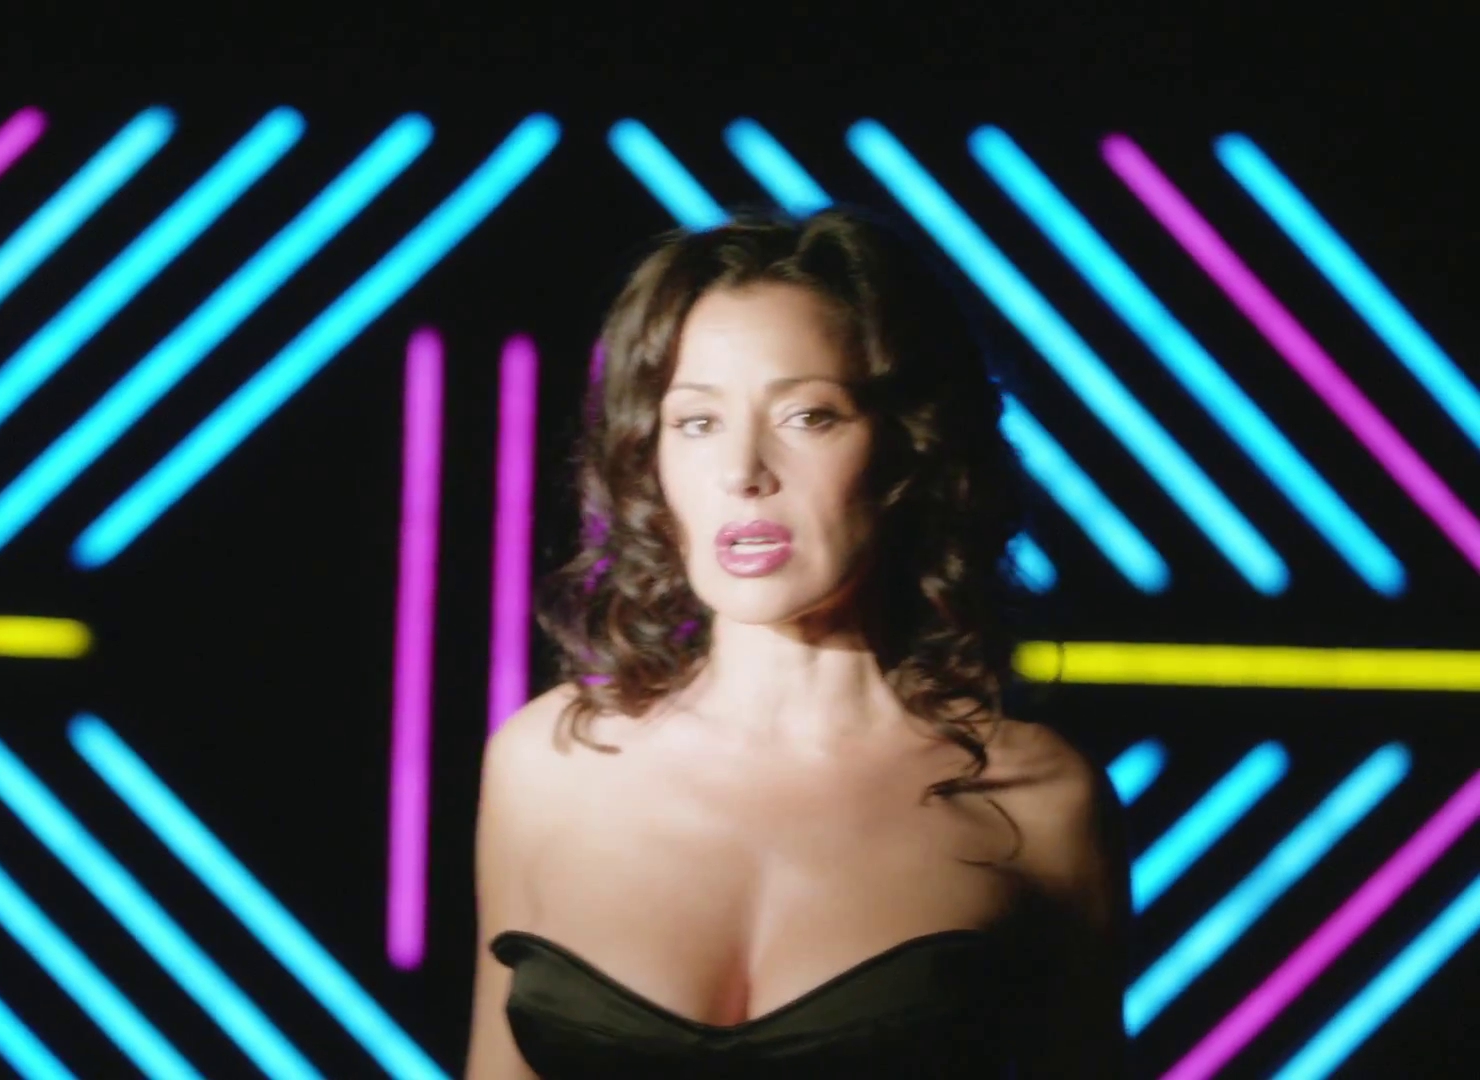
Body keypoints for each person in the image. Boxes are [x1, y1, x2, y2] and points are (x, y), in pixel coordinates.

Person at [464, 208, 1131, 1078]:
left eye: (809, 416)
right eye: (696, 422)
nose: (744, 472)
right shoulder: (545, 764)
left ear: (908, 448)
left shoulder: (1038, 801)